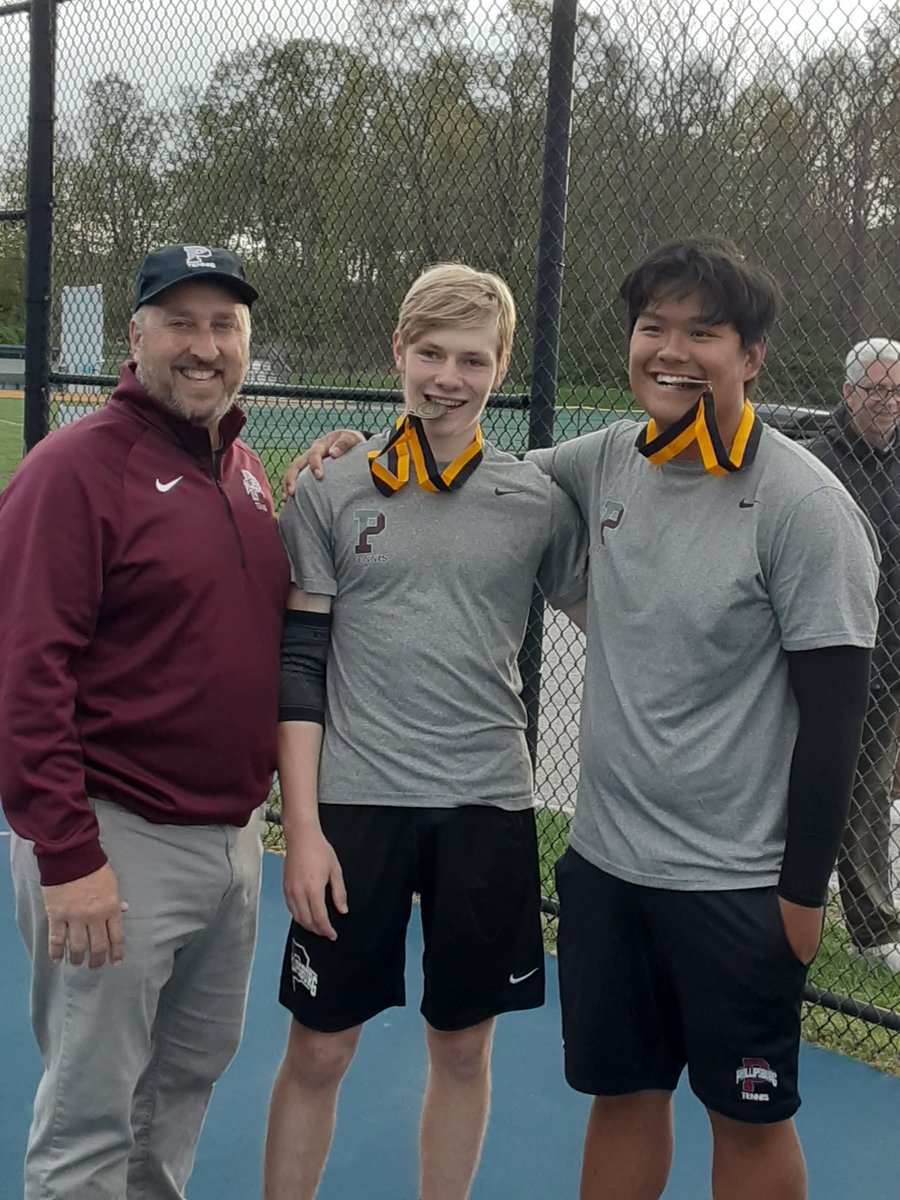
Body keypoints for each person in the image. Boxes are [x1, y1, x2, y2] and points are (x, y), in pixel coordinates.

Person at [290, 237, 879, 1200]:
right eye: (655, 329)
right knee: (624, 1097)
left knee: (749, 1118)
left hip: (737, 881)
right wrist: (359, 445)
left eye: (705, 333)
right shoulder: (605, 461)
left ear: (754, 355)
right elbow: (474, 472)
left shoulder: (803, 506)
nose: (674, 352)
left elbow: (838, 719)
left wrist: (802, 896)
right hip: (606, 870)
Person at [264, 262, 588, 1200]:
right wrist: (305, 829)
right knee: (320, 1051)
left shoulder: (535, 499)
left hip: (486, 805)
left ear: (501, 368)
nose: (449, 376)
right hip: (356, 808)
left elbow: (615, 619)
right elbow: (300, 665)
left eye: (473, 359)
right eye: (432, 353)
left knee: (461, 1046)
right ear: (398, 351)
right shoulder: (330, 485)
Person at [0, 244, 289, 1200]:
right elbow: (21, 672)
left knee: (178, 1090)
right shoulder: (76, 468)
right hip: (115, 837)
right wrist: (69, 855)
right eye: (181, 322)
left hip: (232, 842)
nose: (205, 346)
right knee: (90, 1117)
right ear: (136, 337)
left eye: (225, 324)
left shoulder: (244, 470)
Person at [806, 338, 900, 971]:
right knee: (822, 789)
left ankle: (873, 930)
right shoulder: (817, 463)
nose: (888, 402)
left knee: (868, 791)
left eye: (897, 391)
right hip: (828, 659)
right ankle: (859, 925)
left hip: (891, 661)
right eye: (876, 390)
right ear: (847, 394)